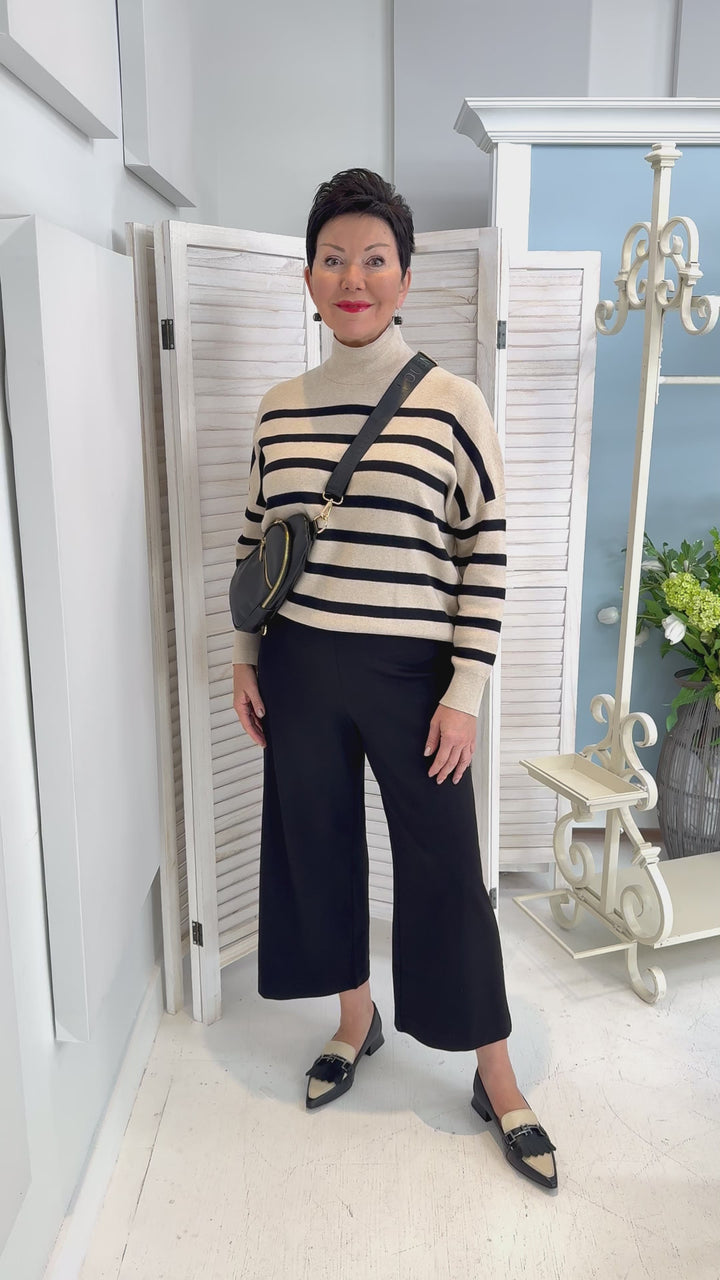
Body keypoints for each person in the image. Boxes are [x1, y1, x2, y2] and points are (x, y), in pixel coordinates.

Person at [231, 168, 557, 1191]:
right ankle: (354, 1019)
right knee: (316, 849)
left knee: (446, 870)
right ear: (308, 279)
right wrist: (244, 657)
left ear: (405, 277)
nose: (353, 277)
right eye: (333, 259)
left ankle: (495, 1074)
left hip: (415, 676)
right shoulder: (278, 410)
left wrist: (465, 691)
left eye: (374, 259)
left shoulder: (453, 403)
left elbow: (485, 548)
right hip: (299, 665)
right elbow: (255, 543)